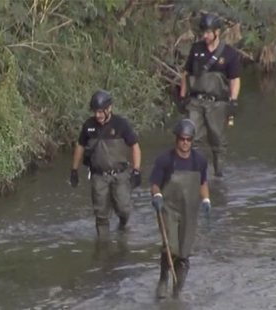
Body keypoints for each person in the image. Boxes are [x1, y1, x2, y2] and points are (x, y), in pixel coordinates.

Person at [149, 118, 211, 299]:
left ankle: (177, 290)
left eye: (188, 139)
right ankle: (163, 279)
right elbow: (154, 183)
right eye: (182, 139)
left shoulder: (199, 160)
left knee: (184, 254)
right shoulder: (165, 160)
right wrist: (157, 196)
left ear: (192, 140)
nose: (185, 143)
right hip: (168, 209)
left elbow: (203, 182)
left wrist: (206, 199)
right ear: (176, 139)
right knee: (170, 247)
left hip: (189, 211)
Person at [70, 90, 142, 238]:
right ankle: (103, 248)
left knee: (123, 208)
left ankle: (122, 224)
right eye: (95, 112)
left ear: (109, 109)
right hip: (99, 177)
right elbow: (80, 146)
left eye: (101, 112)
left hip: (120, 175)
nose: (98, 115)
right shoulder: (88, 126)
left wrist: (136, 170)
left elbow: (135, 146)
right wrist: (74, 170)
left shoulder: (121, 124)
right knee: (101, 215)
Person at [178, 13, 241, 177]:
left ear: (217, 32)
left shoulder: (229, 54)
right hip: (195, 101)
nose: (205, 36)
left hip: (217, 103)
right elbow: (186, 73)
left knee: (217, 140)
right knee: (190, 136)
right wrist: (182, 96)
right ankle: (194, 172)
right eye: (203, 32)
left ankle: (219, 174)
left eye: (208, 32)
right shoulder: (196, 49)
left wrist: (233, 101)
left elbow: (234, 80)